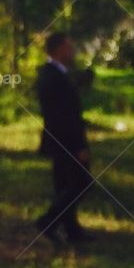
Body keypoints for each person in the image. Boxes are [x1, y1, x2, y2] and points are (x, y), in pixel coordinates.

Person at [34, 32, 94, 244]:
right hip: (65, 141)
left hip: (58, 140)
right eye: (69, 47)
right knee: (80, 183)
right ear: (59, 49)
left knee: (64, 185)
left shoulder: (54, 74)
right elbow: (64, 116)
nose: (73, 51)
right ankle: (48, 221)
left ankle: (72, 230)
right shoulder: (53, 77)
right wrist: (79, 146)